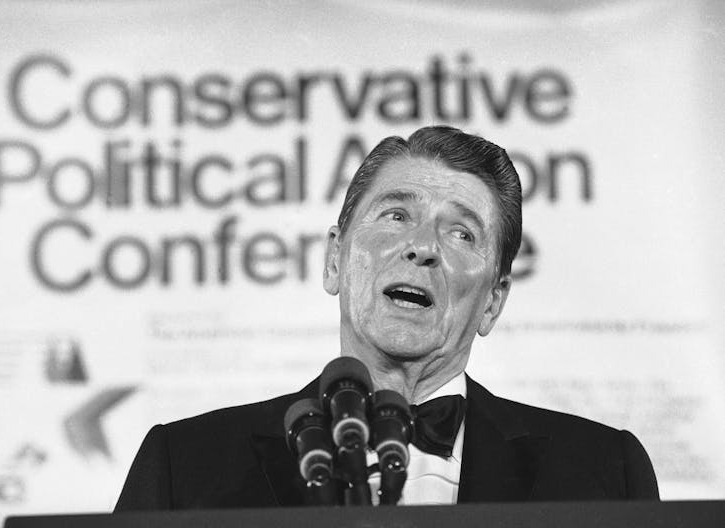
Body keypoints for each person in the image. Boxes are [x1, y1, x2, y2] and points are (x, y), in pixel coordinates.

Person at [114, 126, 658, 511]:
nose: (422, 246)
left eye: (461, 233)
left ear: (493, 301)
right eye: (396, 215)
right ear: (334, 259)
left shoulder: (605, 471)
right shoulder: (186, 465)